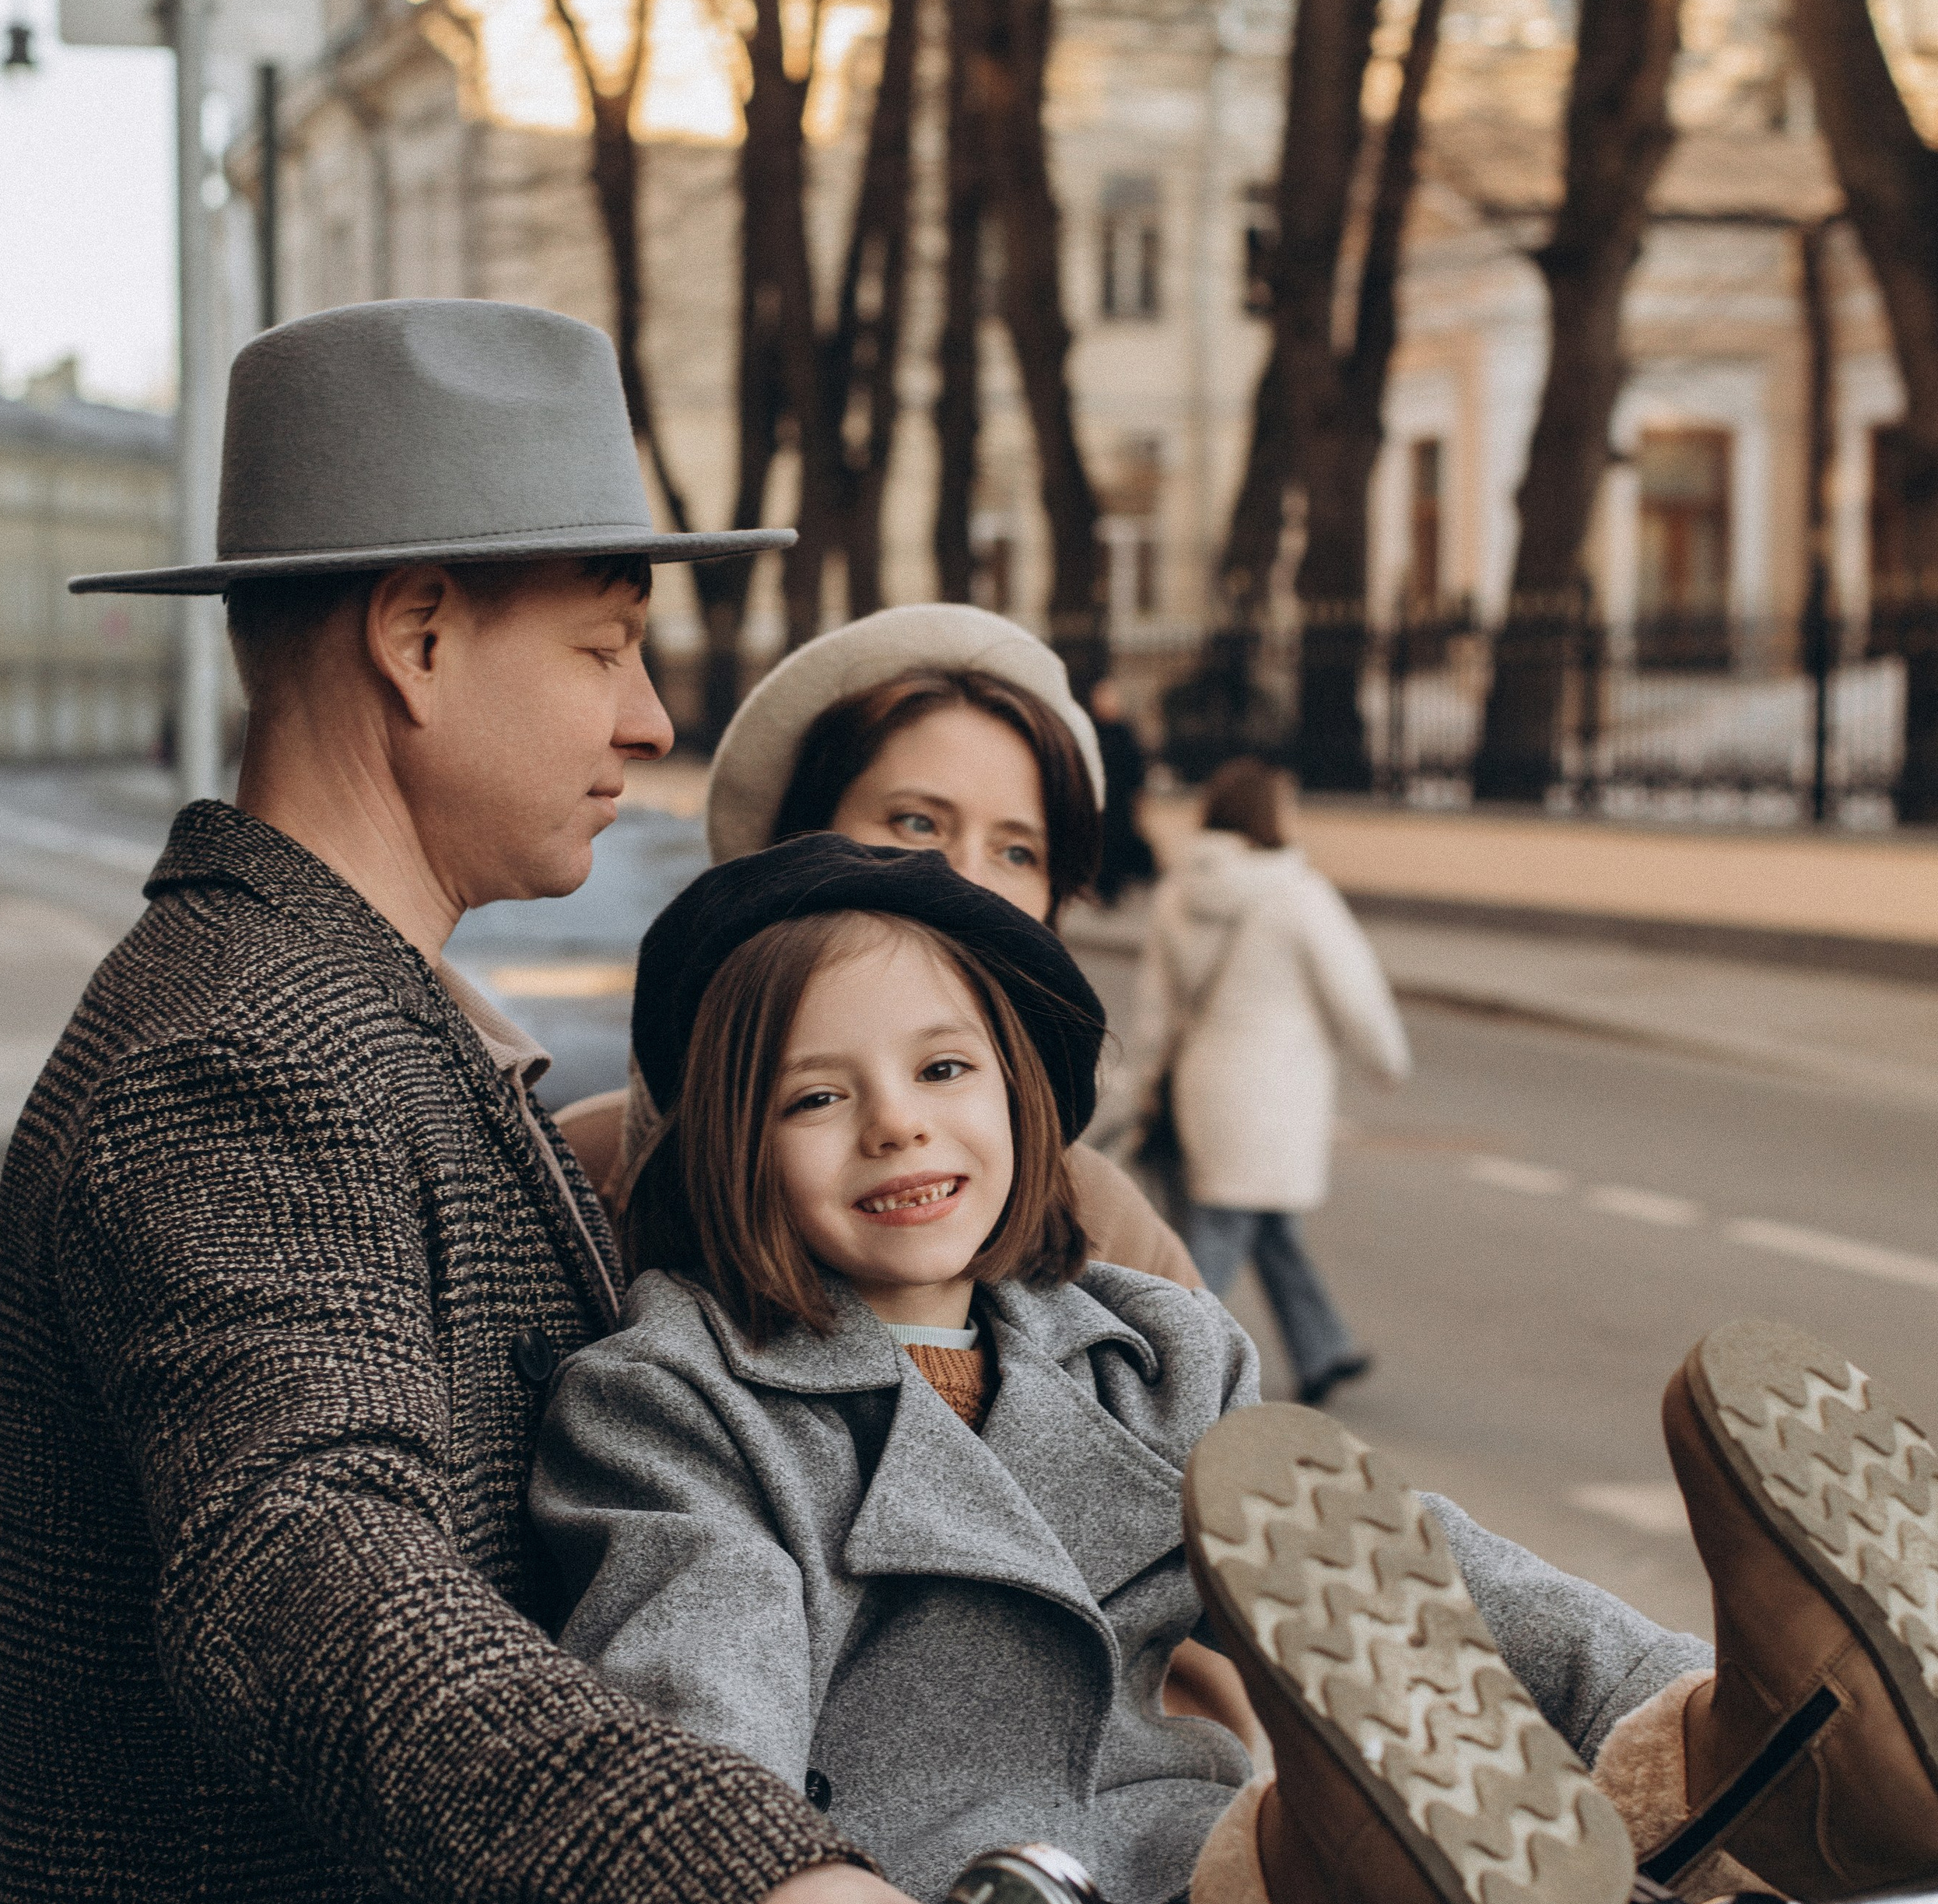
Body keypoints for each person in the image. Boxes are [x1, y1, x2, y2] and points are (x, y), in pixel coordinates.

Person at [529, 840, 1938, 1904]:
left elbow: (1417, 1573)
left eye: (943, 1069)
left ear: (1024, 1099)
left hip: (1172, 1845)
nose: (899, 1125)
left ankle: (1768, 1750)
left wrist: (1636, 1678)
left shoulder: (1145, 1350)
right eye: (813, 1099)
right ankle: (1366, 1890)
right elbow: (688, 1686)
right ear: (725, 1141)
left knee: (1441, 1679)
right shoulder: (680, 1394)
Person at [0, 301, 992, 1904]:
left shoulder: (360, 1022)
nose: (650, 710)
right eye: (606, 640)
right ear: (419, 631)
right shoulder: (245, 1059)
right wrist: (718, 1890)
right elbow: (301, 1566)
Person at [555, 602, 1201, 1297]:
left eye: (1019, 851)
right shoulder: (585, 1177)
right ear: (797, 845)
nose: (966, 881)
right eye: (918, 822)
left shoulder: (1102, 1224)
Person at [1102, 753, 1406, 1407]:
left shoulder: (1177, 892)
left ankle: (1323, 1350)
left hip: (1203, 1088)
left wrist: (1151, 1078)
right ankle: (1154, 1366)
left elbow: (1157, 1005)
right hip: (1275, 1094)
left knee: (1264, 1225)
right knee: (1218, 1236)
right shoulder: (1296, 892)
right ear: (1268, 815)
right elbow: (1353, 986)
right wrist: (1386, 1059)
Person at [1086, 674, 1157, 904]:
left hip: (1120, 802)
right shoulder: (1091, 731)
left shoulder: (1126, 733)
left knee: (1118, 843)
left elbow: (1137, 769)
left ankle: (1113, 888)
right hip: (1097, 800)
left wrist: (1138, 797)